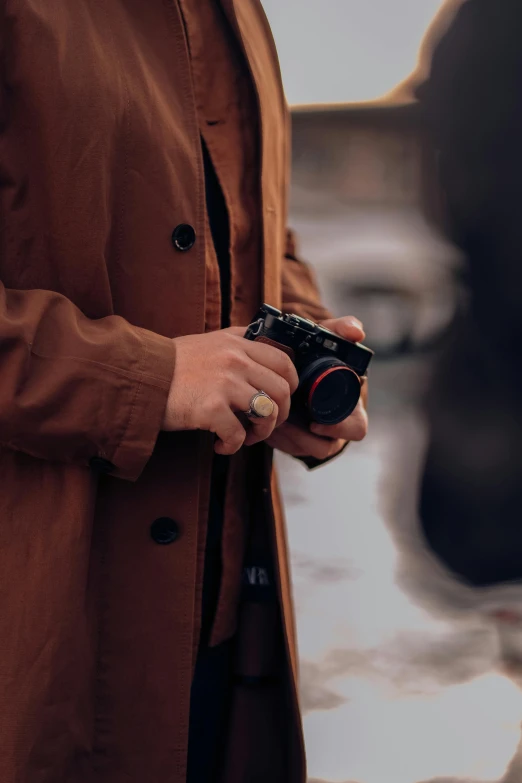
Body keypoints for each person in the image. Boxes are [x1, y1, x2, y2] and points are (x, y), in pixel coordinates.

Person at [0, 2, 368, 782]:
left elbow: (241, 225)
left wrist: (295, 345)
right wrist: (145, 379)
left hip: (219, 632)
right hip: (40, 644)